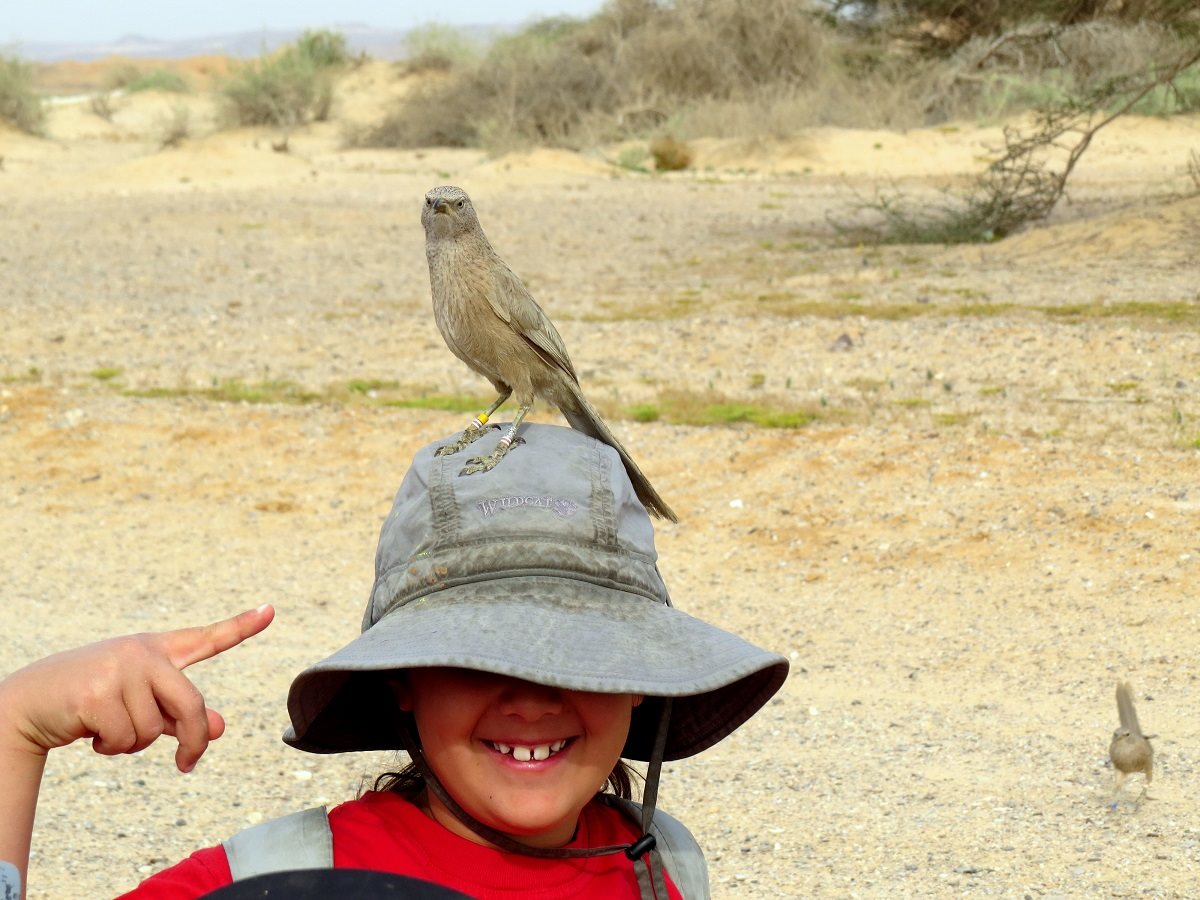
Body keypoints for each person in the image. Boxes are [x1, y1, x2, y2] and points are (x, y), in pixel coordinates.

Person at [0, 424, 789, 899]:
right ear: (403, 681)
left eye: (581, 656)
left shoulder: (667, 870)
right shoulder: (283, 879)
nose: (531, 696)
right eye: (477, 656)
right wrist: (14, 731)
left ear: (642, 686)